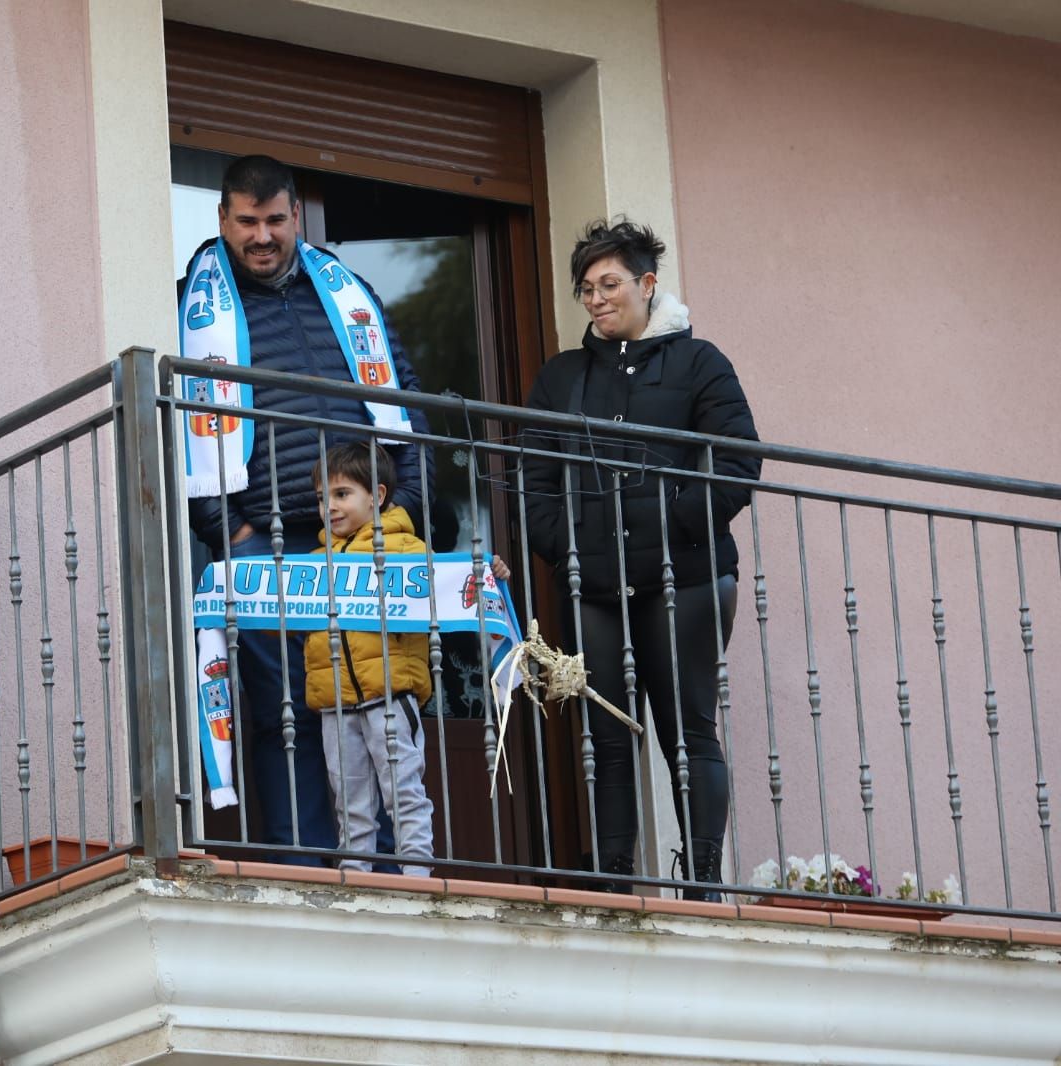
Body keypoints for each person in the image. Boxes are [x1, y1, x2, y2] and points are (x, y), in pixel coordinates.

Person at [178, 155, 431, 865]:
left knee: (375, 699)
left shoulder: (347, 293)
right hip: (265, 543)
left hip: (365, 541)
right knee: (286, 714)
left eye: (276, 221)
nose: (263, 236)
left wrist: (402, 505)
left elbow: (407, 404)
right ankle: (307, 870)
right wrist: (228, 530)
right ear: (223, 221)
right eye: (248, 222)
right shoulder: (193, 304)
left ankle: (385, 872)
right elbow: (181, 428)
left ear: (297, 217)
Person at [521, 218, 760, 900]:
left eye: (610, 284)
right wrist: (562, 545)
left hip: (683, 575)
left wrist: (675, 521)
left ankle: (704, 884)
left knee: (686, 729)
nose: (596, 299)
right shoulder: (563, 377)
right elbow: (533, 474)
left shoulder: (699, 362)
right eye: (586, 289)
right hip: (592, 584)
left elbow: (738, 458)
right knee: (605, 734)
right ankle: (614, 885)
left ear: (646, 284)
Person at [304, 443, 507, 875]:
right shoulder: (313, 563)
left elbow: (450, 586)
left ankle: (417, 881)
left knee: (404, 794)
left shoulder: (406, 549)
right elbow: (277, 615)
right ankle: (356, 882)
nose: (329, 507)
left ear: (376, 496)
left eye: (341, 495)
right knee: (350, 803)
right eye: (322, 497)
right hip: (336, 703)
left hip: (392, 698)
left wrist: (487, 572)